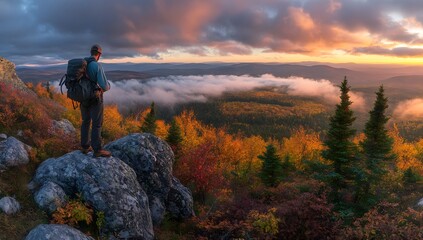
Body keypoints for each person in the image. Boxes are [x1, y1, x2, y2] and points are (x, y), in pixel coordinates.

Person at [80, 44, 112, 157]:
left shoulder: (82, 64)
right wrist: (109, 86)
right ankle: (97, 150)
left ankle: (84, 147)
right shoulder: (96, 66)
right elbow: (104, 86)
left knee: (85, 121)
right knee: (97, 124)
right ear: (99, 54)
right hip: (95, 99)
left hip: (83, 98)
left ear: (90, 52)